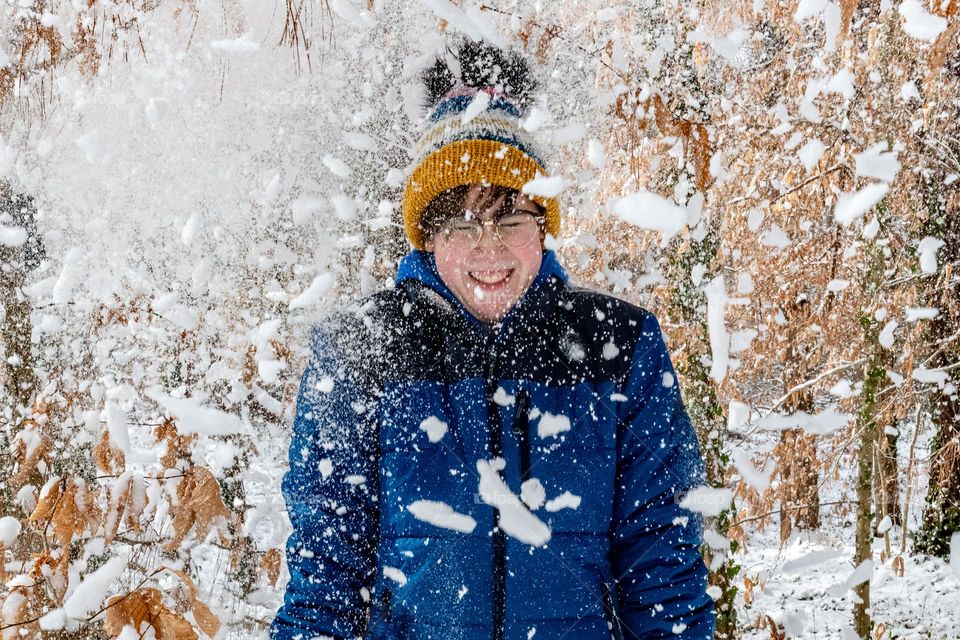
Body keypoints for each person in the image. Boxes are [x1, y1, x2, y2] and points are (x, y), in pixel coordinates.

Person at [271, 41, 715, 640]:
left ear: (544, 229)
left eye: (511, 220)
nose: (489, 248)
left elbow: (663, 567)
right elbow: (325, 581)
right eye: (460, 224)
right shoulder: (359, 350)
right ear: (427, 237)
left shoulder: (620, 346)